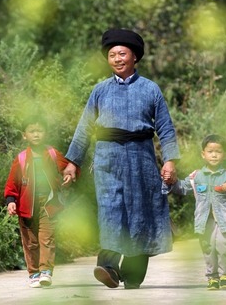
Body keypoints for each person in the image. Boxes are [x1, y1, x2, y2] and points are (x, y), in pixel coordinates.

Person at [62, 28, 180, 289]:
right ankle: (108, 267)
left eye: (122, 54)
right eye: (112, 54)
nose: (117, 58)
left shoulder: (150, 89)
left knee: (141, 214)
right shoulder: (100, 90)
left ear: (134, 57)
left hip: (142, 158)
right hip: (108, 158)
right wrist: (73, 162)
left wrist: (170, 160)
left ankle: (132, 275)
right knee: (111, 210)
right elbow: (84, 127)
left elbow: (165, 127)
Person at [163, 134, 226, 290]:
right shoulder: (196, 176)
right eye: (210, 151)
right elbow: (182, 187)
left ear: (224, 155)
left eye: (218, 151)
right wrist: (171, 182)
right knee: (208, 248)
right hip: (204, 221)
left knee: (224, 246)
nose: (214, 155)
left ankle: (225, 276)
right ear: (203, 154)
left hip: (223, 220)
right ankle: (212, 277)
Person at [4, 115, 77, 288]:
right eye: (32, 131)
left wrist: (68, 175)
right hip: (26, 205)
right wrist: (10, 201)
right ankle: (34, 273)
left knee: (47, 238)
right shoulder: (21, 158)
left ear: (45, 133)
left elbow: (67, 168)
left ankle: (46, 272)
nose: (36, 134)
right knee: (30, 241)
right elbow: (12, 183)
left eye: (40, 131)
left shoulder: (52, 154)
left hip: (48, 204)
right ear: (24, 135)